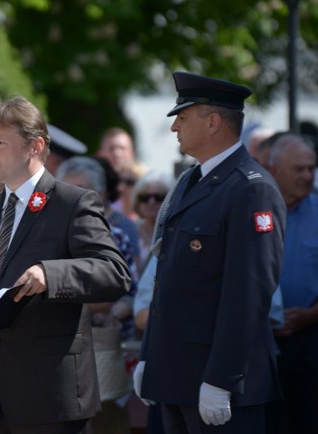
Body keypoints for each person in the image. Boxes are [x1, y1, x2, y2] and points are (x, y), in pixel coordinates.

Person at [0, 95, 132, 433]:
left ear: (35, 146)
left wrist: (51, 273)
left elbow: (114, 272)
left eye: (0, 142)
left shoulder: (72, 202)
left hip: (50, 395)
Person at [134, 72, 286, 433]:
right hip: (177, 375)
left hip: (219, 385)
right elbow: (165, 281)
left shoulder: (252, 190)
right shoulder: (191, 181)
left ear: (213, 122)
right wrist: (149, 358)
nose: (175, 129)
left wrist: (222, 379)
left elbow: (248, 295)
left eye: (183, 118)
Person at [55, 156, 137, 434]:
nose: (72, 196)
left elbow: (115, 290)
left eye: (81, 189)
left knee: (105, 423)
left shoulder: (114, 235)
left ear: (100, 195)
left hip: (99, 347)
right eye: (67, 188)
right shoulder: (49, 233)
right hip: (56, 349)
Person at [267, 133, 318, 433]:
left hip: (310, 339)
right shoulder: (253, 207)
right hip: (259, 342)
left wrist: (311, 315)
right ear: (274, 169)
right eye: (299, 168)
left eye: (311, 168)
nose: (308, 175)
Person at [131, 172, 173, 275]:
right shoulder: (130, 230)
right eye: (145, 198)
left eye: (158, 197)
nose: (151, 202)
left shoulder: (173, 232)